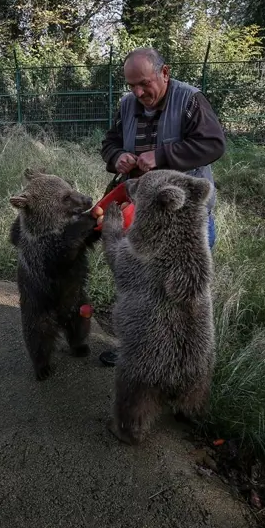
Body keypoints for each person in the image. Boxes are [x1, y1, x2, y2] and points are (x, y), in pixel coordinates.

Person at [97, 47, 226, 367]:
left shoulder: (190, 100)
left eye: (144, 83)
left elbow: (213, 144)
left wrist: (162, 156)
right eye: (131, 86)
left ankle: (183, 363)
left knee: (182, 297)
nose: (138, 93)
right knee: (139, 287)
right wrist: (117, 157)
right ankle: (136, 350)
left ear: (164, 73)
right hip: (141, 216)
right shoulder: (127, 105)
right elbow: (109, 143)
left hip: (186, 221)